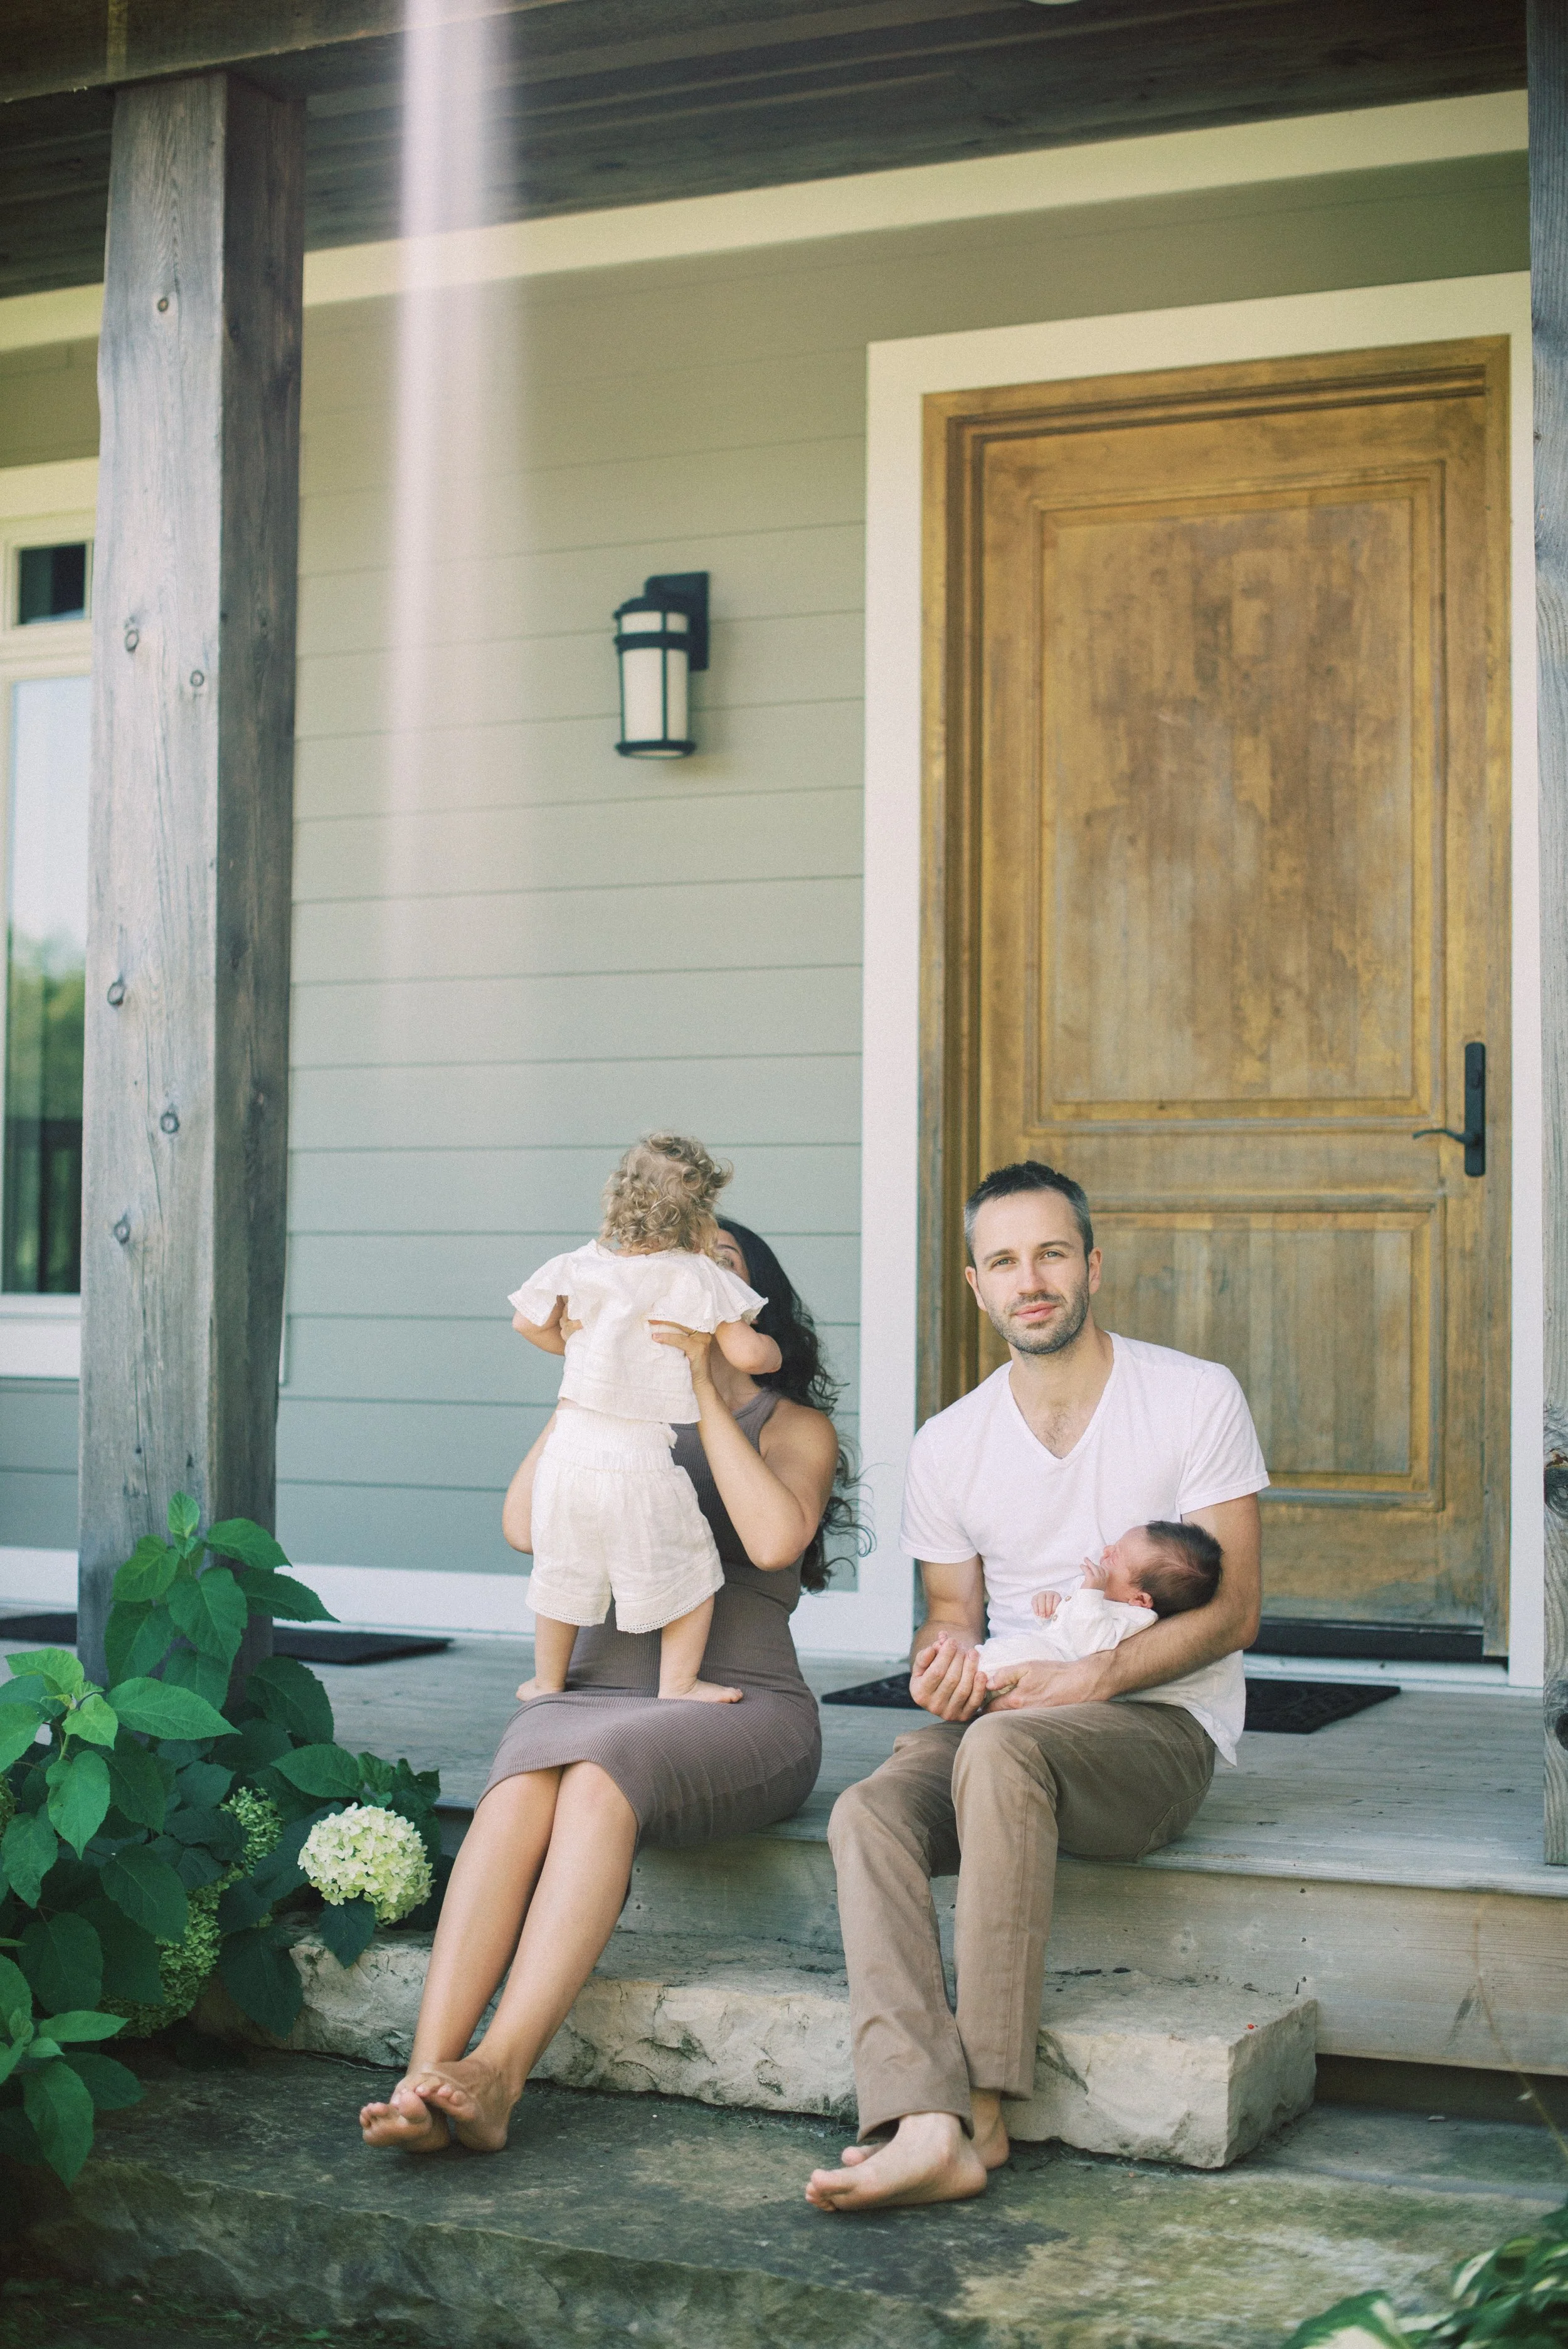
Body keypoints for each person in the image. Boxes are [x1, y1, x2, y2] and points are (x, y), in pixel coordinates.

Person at [806, 1160, 1267, 2215]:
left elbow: (1234, 1612)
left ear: (1092, 1264)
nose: (1034, 1278)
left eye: (1053, 1252)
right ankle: (916, 2115)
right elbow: (957, 1615)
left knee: (1006, 1750)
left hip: (1152, 1733)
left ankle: (980, 2103)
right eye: (1006, 1260)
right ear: (977, 1286)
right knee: (870, 1809)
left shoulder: (1194, 1395)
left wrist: (1090, 1674)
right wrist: (945, 1663)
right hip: (1004, 1719)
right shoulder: (949, 1444)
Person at [360, 1213, 851, 2156]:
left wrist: (703, 1376)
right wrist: (591, 1377)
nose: (679, 1273)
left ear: (752, 1299)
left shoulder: (793, 1425)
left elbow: (773, 1541)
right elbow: (521, 1524)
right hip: (592, 1686)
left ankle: (498, 2073)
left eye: (712, 1260)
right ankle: (426, 2076)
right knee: (519, 1784)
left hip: (739, 1701)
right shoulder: (605, 1405)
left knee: (596, 1769)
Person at [510, 1133, 780, 1704]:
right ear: (699, 1213)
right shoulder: (695, 1275)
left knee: (562, 1574)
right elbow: (752, 1356)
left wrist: (574, 1347)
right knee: (692, 1570)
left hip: (567, 1458)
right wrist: (773, 1350)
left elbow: (526, 1325)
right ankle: (679, 1681)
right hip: (638, 1463)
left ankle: (545, 1681)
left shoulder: (579, 1265)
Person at [973, 1520, 1222, 1678]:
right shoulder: (1106, 1598)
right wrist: (1051, 1606)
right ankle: (964, 1665)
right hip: (1040, 1652)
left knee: (1004, 1657)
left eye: (1115, 1557)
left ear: (1141, 1599)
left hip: (1049, 1668)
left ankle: (967, 1668)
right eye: (1114, 1546)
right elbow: (1064, 1628)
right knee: (1002, 1651)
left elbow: (1088, 1645)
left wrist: (1090, 1595)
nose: (1105, 1551)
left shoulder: (1136, 1619)